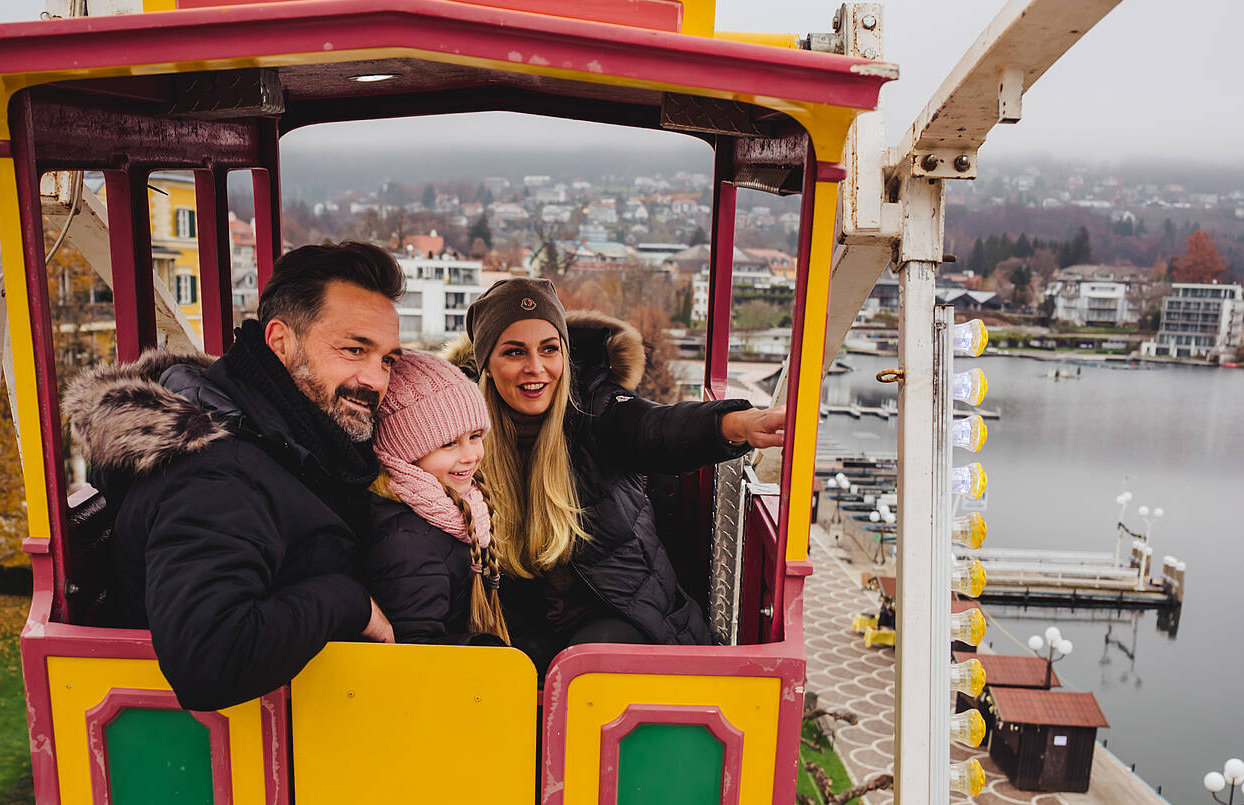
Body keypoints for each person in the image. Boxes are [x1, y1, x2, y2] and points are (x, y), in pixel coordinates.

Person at [63, 240, 404, 710]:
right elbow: (208, 660)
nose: (376, 379)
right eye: (353, 350)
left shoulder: (284, 438)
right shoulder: (217, 474)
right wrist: (349, 603)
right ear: (281, 342)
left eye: (387, 359)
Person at [446, 278, 785, 671]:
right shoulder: (461, 430)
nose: (535, 368)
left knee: (588, 668)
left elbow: (655, 429)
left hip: (618, 608)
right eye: (514, 352)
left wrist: (733, 424)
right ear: (487, 364)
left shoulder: (595, 406)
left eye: (549, 349)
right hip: (518, 619)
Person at [362, 348, 511, 645]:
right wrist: (481, 650)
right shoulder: (407, 542)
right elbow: (413, 653)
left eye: (475, 437)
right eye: (448, 444)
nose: (471, 456)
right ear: (405, 451)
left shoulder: (457, 510)